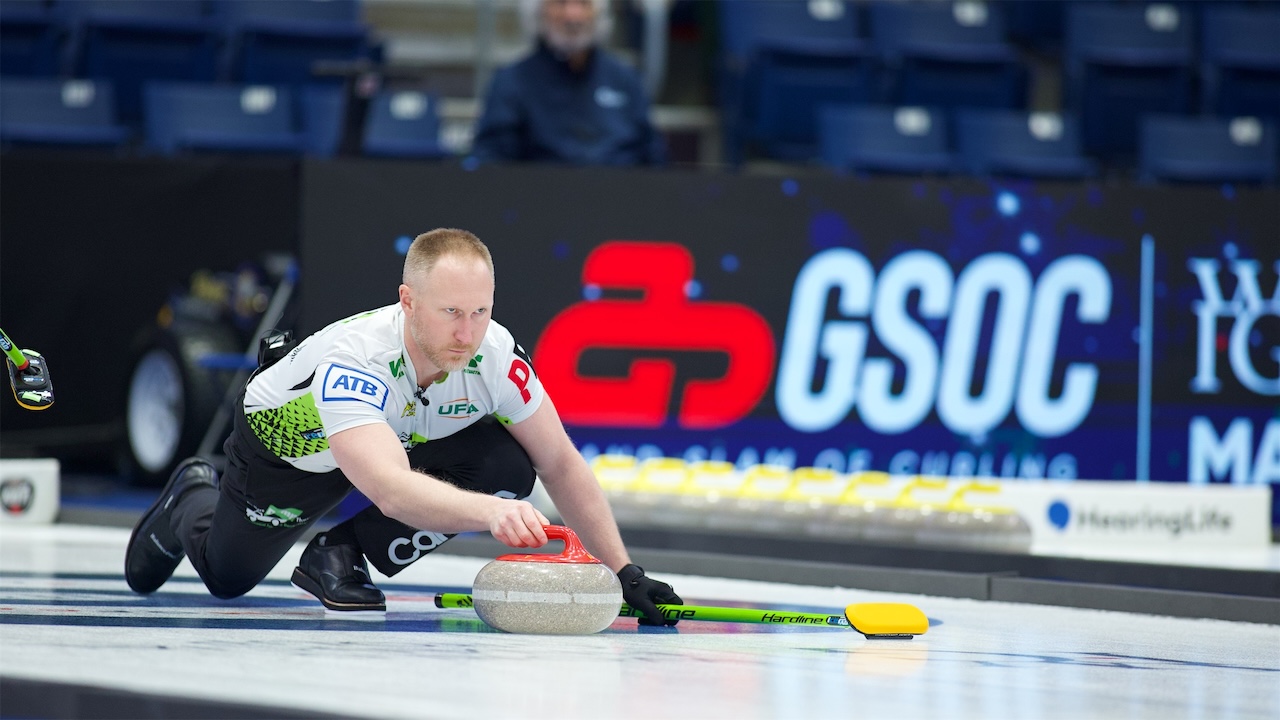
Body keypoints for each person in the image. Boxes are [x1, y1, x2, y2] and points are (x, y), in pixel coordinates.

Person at [125, 228, 683, 625]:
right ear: (408, 302)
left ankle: (337, 554)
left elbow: (559, 462)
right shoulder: (357, 359)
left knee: (509, 468)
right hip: (292, 454)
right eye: (450, 313)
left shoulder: (494, 354)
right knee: (227, 578)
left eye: (480, 312)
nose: (467, 335)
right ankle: (192, 496)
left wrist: (624, 571)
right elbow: (388, 490)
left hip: (395, 441)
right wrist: (492, 513)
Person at [469, 0, 665, 166]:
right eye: (560, 2)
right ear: (538, 11)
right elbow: (491, 162)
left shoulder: (626, 79)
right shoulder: (511, 81)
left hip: (621, 199)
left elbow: (653, 157)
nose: (573, 16)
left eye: (584, 3)